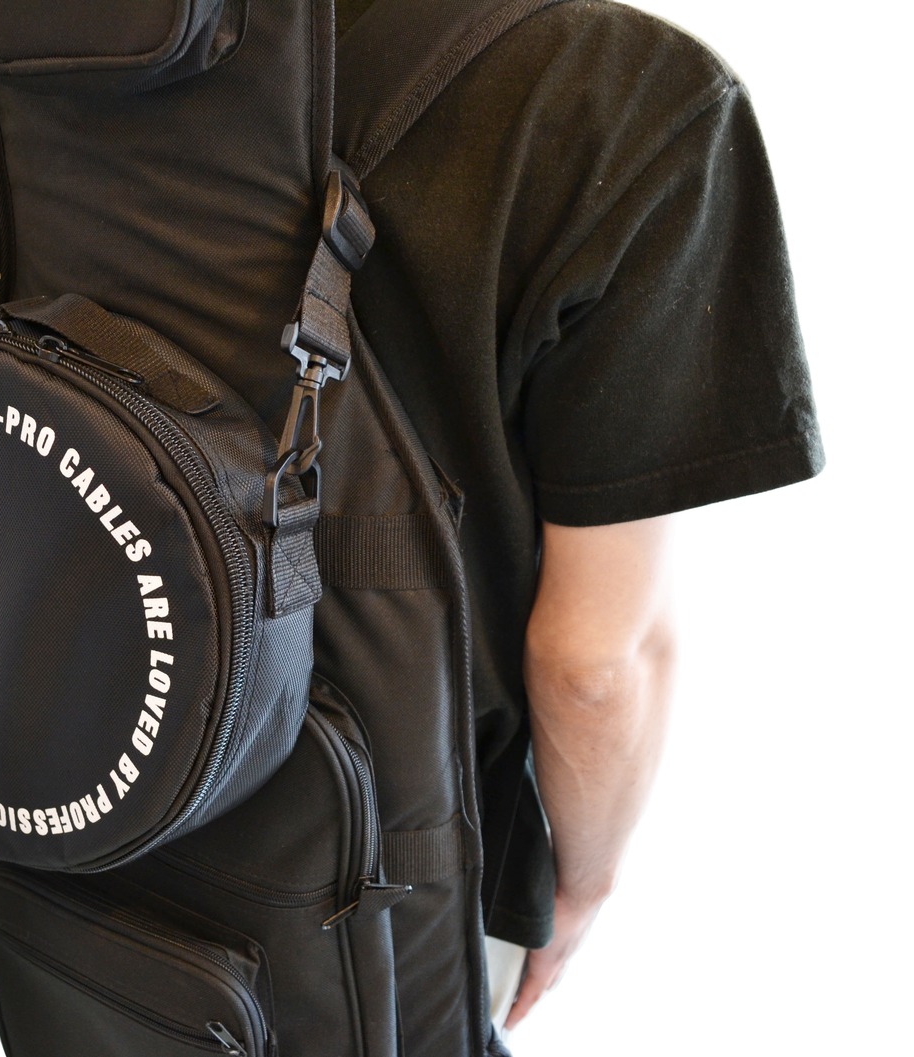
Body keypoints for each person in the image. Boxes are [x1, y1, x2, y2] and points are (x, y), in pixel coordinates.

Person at [333, 0, 824, 1035]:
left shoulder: (134, 35)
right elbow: (597, 660)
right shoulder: (621, 94)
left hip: (109, 787)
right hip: (386, 881)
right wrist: (580, 882)